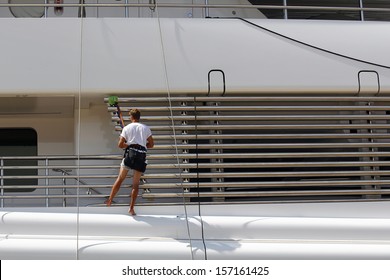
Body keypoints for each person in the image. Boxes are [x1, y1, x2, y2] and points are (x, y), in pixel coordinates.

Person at [106, 108, 154, 215]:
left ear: (131, 117)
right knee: (135, 184)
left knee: (120, 178)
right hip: (141, 155)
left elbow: (120, 144)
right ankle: (131, 208)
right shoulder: (145, 128)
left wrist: (128, 144)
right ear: (139, 117)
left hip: (130, 154)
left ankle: (109, 200)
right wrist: (142, 145)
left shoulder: (127, 128)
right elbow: (151, 144)